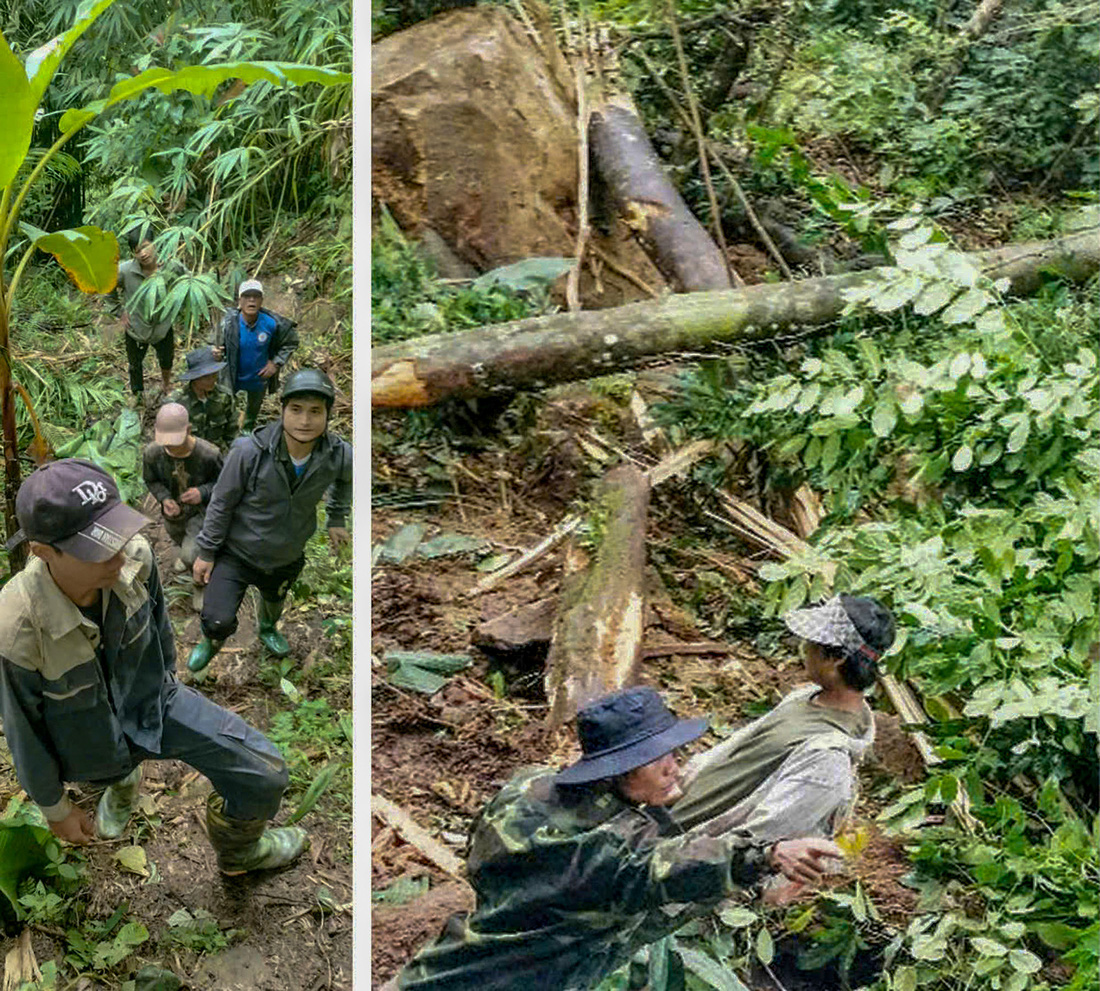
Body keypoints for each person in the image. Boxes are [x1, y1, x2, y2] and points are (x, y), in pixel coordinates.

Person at [394, 686, 844, 990]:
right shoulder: (606, 852)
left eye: (672, 751)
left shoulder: (528, 789)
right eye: (655, 757)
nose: (674, 764)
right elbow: (664, 869)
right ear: (619, 769)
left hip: (448, 963)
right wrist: (768, 854)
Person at [0, 459, 308, 874]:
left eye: (117, 533)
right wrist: (55, 809)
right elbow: (25, 734)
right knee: (113, 766)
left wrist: (168, 684)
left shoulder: (136, 561)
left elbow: (160, 629)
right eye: (96, 547)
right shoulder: (16, 626)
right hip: (85, 747)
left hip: (152, 704)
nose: (117, 553)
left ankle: (239, 852)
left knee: (264, 773)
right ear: (42, 551)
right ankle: (119, 780)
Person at [671, 594, 895, 903]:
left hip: (686, 852)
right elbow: (739, 748)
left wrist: (684, 864)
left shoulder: (827, 761)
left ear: (836, 658)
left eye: (812, 643)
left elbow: (762, 836)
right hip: (671, 817)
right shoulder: (806, 698)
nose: (803, 649)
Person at [187, 369, 351, 672]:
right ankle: (210, 642)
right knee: (217, 619)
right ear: (282, 410)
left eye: (316, 412)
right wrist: (207, 552)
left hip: (286, 552)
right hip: (238, 550)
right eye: (296, 410)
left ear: (328, 415)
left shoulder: (337, 454)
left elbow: (347, 479)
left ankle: (267, 627)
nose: (305, 421)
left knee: (275, 599)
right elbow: (221, 502)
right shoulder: (250, 451)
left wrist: (337, 515)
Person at [142, 403, 224, 610]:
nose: (170, 448)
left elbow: (224, 487)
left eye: (175, 443)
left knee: (191, 554)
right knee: (176, 536)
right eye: (165, 444)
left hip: (201, 512)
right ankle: (185, 554)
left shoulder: (208, 455)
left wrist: (202, 492)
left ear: (188, 430)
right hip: (173, 513)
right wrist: (164, 498)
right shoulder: (153, 453)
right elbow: (151, 480)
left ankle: (200, 584)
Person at [110, 223, 186, 408]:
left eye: (145, 247)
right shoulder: (126, 271)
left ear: (155, 244)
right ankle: (137, 394)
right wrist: (119, 312)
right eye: (137, 251)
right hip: (137, 328)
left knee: (166, 358)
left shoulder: (171, 267)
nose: (142, 254)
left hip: (162, 326)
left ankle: (167, 384)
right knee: (135, 364)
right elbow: (108, 289)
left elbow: (186, 282)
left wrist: (178, 305)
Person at [211, 279, 298, 432]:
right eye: (246, 296)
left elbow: (291, 342)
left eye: (256, 296)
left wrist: (275, 363)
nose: (251, 300)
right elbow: (212, 344)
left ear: (261, 301)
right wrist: (215, 352)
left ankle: (247, 429)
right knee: (225, 406)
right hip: (232, 376)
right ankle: (229, 430)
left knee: (253, 410)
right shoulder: (228, 323)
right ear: (240, 301)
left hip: (258, 377)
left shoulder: (272, 323)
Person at [170, 346, 238, 450]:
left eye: (214, 375)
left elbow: (232, 432)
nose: (212, 380)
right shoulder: (176, 403)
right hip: (190, 455)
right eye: (206, 377)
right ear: (195, 378)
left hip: (218, 454)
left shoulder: (224, 396)